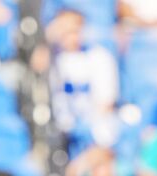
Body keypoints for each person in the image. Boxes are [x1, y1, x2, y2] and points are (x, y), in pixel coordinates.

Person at [48, 8, 121, 150]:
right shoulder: (49, 59)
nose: (69, 35)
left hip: (92, 133)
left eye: (74, 29)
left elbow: (106, 104)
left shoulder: (100, 57)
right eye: (64, 29)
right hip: (57, 132)